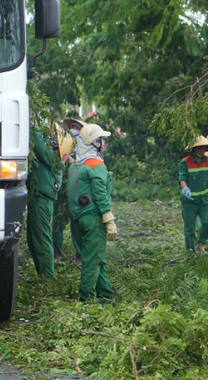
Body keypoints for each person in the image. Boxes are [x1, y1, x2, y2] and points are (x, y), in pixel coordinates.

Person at [67, 123, 117, 301]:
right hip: (92, 218)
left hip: (78, 219)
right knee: (93, 260)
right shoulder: (96, 165)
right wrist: (108, 218)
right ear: (94, 143)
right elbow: (100, 193)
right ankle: (86, 299)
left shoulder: (75, 166)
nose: (104, 143)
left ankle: (106, 296)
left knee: (96, 258)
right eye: (101, 140)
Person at [26, 121, 72, 279]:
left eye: (54, 140)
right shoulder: (54, 159)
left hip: (42, 200)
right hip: (38, 199)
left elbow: (38, 145)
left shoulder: (54, 160)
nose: (51, 140)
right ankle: (43, 275)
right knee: (33, 238)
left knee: (41, 237)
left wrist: (33, 126)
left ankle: (47, 277)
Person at [178, 136, 208, 253]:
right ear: (193, 149)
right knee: (190, 228)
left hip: (204, 200)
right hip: (189, 201)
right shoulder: (185, 162)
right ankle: (190, 252)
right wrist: (185, 189)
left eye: (203, 148)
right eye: (199, 148)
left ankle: (201, 245)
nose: (201, 150)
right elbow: (182, 178)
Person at [54, 117, 85, 264]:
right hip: (61, 184)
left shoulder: (88, 145)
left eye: (77, 127)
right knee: (57, 220)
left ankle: (80, 255)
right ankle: (56, 253)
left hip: (77, 185)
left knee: (77, 221)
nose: (74, 129)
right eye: (73, 126)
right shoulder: (63, 141)